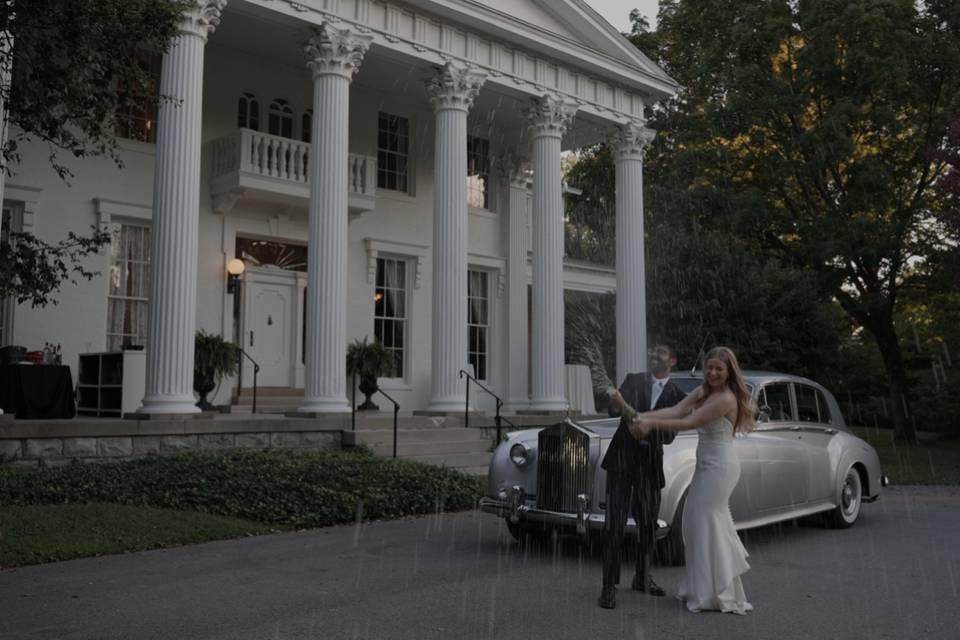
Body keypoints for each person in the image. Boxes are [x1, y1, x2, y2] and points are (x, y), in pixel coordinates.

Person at [635, 346, 755, 615]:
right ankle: (708, 589)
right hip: (706, 465)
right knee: (700, 524)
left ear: (728, 372)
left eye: (718, 369)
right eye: (709, 367)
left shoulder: (725, 398)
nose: (712, 372)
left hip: (720, 467)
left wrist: (650, 424)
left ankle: (717, 593)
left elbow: (690, 423)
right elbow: (677, 410)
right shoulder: (705, 391)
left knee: (706, 521)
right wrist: (643, 415)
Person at [598, 343, 685, 610]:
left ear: (672, 360)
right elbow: (614, 411)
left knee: (648, 526)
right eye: (653, 351)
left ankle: (642, 577)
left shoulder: (678, 395)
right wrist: (614, 400)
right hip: (621, 462)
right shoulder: (633, 380)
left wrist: (644, 427)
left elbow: (669, 436)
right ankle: (608, 586)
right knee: (615, 524)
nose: (654, 355)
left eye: (661, 352)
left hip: (649, 465)